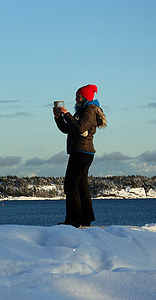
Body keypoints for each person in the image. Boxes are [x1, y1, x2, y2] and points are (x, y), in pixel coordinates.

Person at [53, 84, 107, 227]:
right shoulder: (82, 111)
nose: (76, 98)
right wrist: (59, 118)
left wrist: (67, 114)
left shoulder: (88, 111)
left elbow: (79, 128)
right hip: (81, 151)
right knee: (81, 186)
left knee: (71, 185)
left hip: (82, 152)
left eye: (78, 96)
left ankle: (74, 220)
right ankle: (85, 219)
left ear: (85, 97)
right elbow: (68, 129)